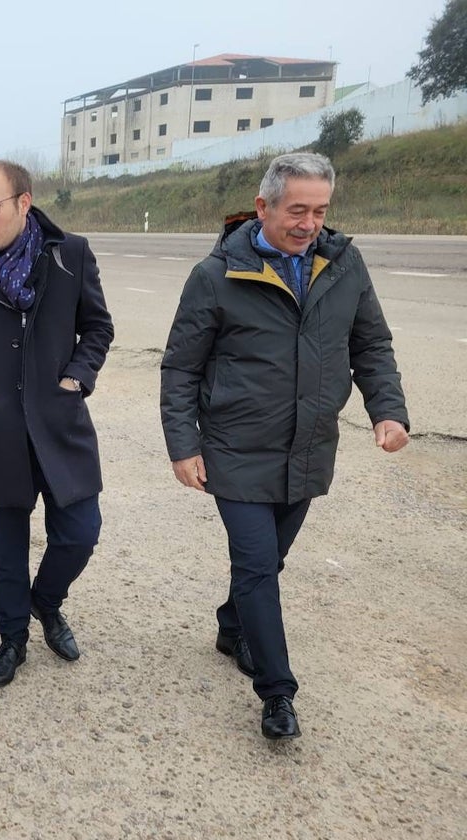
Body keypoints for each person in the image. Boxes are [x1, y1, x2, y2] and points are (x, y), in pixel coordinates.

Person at [160, 152, 409, 740]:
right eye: (297, 210)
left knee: (268, 560)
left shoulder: (343, 266)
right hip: (236, 448)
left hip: (308, 446)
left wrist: (388, 412)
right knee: (255, 566)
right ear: (263, 206)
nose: (309, 223)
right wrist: (183, 444)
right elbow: (180, 369)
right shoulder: (215, 276)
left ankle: (231, 627)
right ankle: (277, 693)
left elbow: (371, 344)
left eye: (320, 211)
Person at [0, 160, 114, 687]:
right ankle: (12, 640)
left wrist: (76, 378)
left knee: (81, 533)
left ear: (24, 203)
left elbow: (97, 327)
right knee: (6, 554)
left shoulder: (69, 255)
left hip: (61, 426)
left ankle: (47, 602)